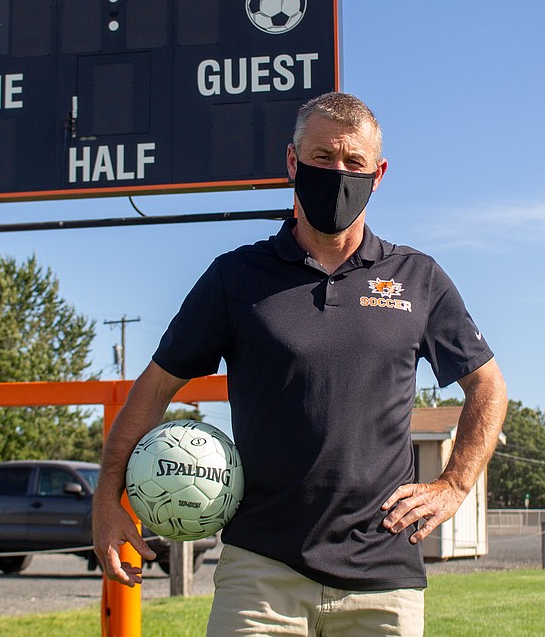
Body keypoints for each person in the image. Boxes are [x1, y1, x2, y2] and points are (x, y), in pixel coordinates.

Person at [93, 92, 507, 636]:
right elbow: (153, 388)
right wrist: (107, 496)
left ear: (378, 173)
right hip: (260, 573)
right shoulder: (235, 277)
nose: (337, 173)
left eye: (353, 162)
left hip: (383, 576)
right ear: (292, 162)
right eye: (321, 158)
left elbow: (489, 387)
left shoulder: (418, 278)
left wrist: (453, 485)